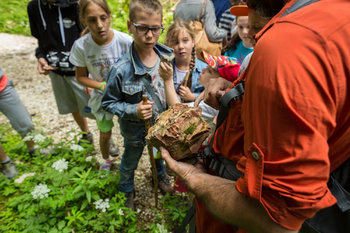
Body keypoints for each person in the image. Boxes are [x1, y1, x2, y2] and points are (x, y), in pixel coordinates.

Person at [161, 0, 350, 232]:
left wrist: (196, 180)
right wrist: (239, 86)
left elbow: (276, 221)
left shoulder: (285, 48)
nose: (232, 1)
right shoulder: (334, 15)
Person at [101, 0, 174, 210]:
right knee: (130, 161)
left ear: (161, 26)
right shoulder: (121, 69)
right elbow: (108, 102)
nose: (150, 35)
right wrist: (133, 110)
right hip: (134, 132)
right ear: (130, 25)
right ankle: (126, 189)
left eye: (155, 29)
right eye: (142, 28)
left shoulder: (167, 56)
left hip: (160, 126)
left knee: (158, 154)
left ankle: (159, 177)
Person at [69, 0, 132, 172]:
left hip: (126, 95)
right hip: (102, 97)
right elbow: (80, 77)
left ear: (110, 16)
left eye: (103, 18)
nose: (99, 25)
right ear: (83, 21)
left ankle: (130, 162)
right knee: (105, 133)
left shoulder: (125, 41)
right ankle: (105, 161)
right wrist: (100, 86)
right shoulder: (81, 46)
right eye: (92, 20)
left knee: (130, 131)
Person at [27, 0, 94, 145]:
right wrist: (41, 57)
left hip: (81, 70)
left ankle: (107, 137)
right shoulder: (34, 7)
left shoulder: (77, 5)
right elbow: (40, 39)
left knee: (95, 106)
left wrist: (90, 74)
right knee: (72, 106)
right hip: (56, 70)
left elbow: (90, 37)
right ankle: (86, 134)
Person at [164, 19, 207, 103]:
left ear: (193, 41)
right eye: (176, 42)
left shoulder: (204, 70)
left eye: (185, 40)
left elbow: (209, 95)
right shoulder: (166, 69)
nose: (180, 46)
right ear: (168, 45)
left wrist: (193, 96)